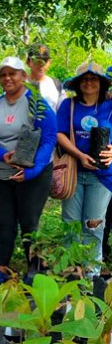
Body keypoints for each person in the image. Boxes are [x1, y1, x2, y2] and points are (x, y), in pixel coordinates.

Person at [0, 56, 57, 287]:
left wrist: (32, 170)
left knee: (29, 221)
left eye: (13, 73)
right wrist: (2, 155)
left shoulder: (37, 103)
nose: (8, 78)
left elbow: (49, 137)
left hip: (34, 174)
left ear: (23, 76)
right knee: (4, 222)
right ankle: (2, 268)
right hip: (2, 174)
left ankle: (35, 267)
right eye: (3, 74)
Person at [56, 63, 112, 277]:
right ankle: (71, 273)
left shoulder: (110, 106)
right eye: (84, 79)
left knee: (93, 225)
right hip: (73, 174)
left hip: (103, 176)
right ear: (78, 84)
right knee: (70, 225)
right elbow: (60, 134)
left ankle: (91, 276)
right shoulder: (68, 105)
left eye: (94, 79)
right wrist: (79, 155)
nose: (89, 83)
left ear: (101, 82)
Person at [26, 44, 65, 110]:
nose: (41, 64)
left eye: (45, 60)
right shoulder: (18, 85)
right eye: (37, 60)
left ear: (49, 62)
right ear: (28, 62)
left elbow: (63, 112)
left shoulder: (57, 84)